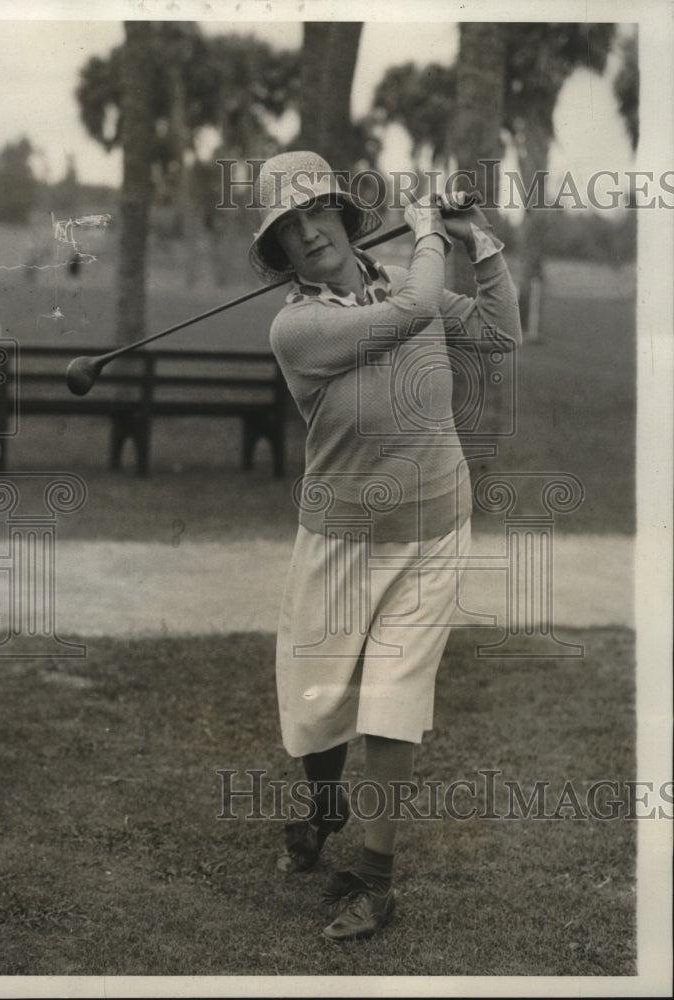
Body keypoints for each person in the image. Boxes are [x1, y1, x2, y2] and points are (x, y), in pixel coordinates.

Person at [248, 150, 522, 941]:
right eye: (288, 228)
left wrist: (480, 239)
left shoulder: (409, 277)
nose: (308, 235)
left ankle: (375, 875)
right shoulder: (296, 325)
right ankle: (325, 801)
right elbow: (410, 313)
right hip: (339, 536)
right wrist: (433, 234)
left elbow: (499, 330)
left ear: (341, 213)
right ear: (278, 251)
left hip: (435, 523)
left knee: (394, 698)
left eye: (316, 214)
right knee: (317, 706)